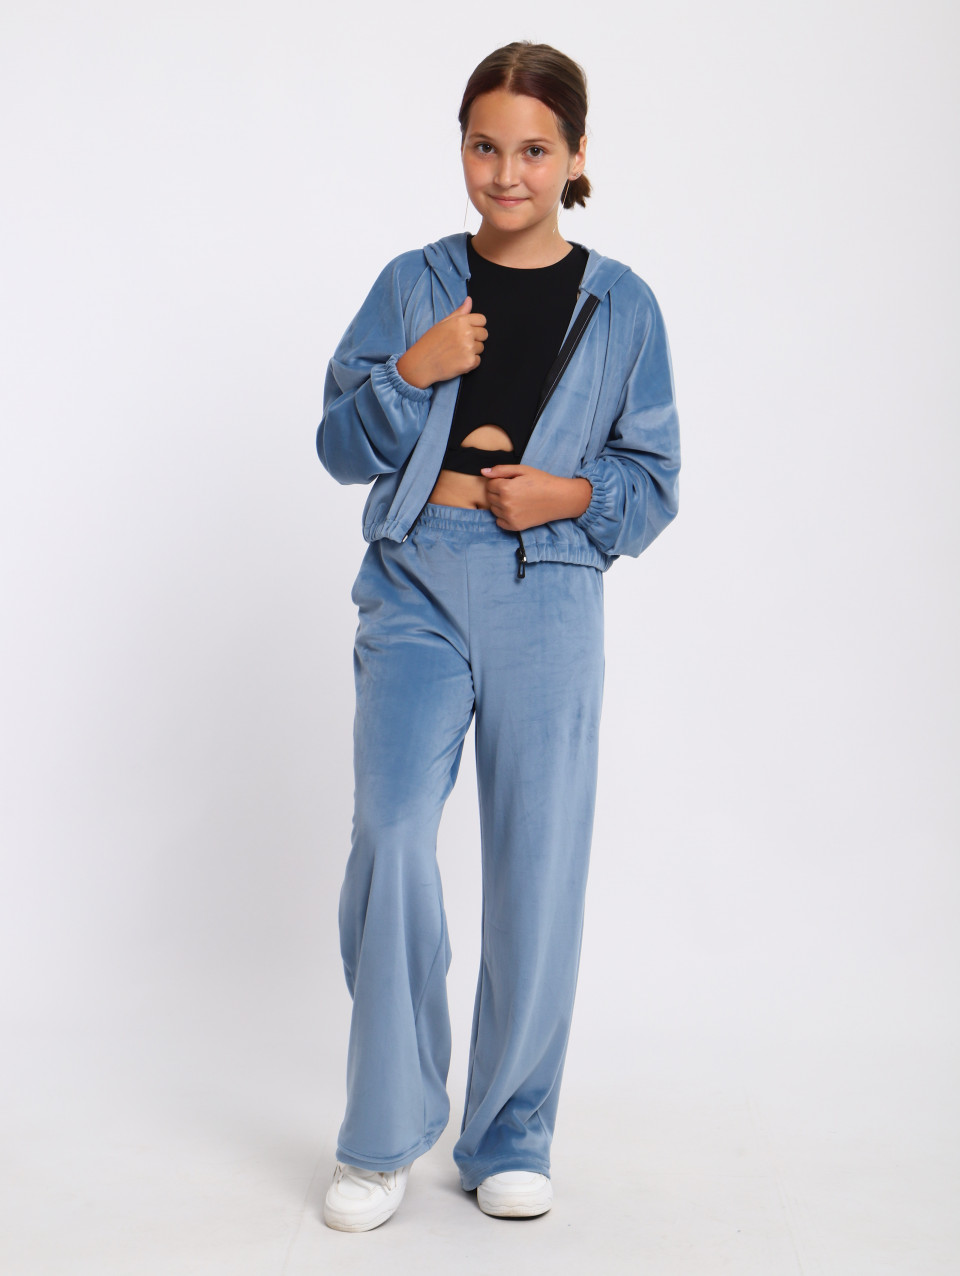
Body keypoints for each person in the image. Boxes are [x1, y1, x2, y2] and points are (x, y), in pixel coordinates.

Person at [316, 41, 680, 1231]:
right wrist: (411, 373)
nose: (506, 172)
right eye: (486, 145)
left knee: (539, 859)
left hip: (550, 589)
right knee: (392, 834)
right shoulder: (414, 282)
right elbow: (337, 445)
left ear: (575, 157)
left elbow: (654, 479)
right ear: (463, 148)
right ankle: (383, 1132)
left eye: (533, 149)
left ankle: (512, 1131)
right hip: (417, 577)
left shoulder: (623, 304)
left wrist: (569, 494)